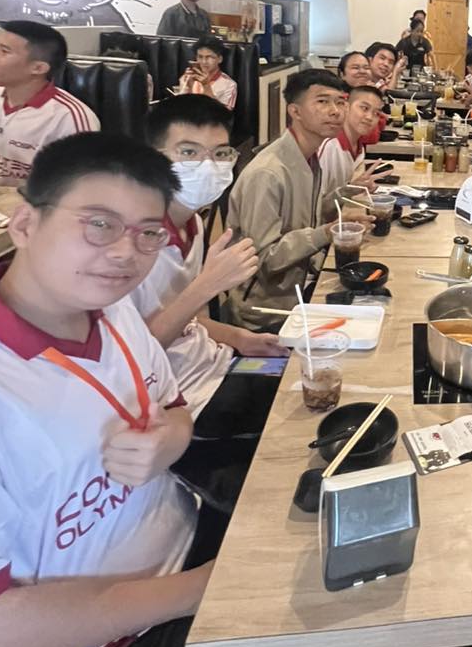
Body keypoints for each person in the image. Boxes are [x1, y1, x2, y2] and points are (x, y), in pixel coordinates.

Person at [0, 132, 403, 647]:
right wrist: (206, 588)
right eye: (98, 224)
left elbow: (172, 406)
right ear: (25, 222)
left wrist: (170, 442)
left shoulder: (109, 313)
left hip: (178, 556)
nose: (125, 253)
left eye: (147, 233)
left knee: (334, 509)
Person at [135, 94, 286, 440]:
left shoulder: (194, 223)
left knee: (318, 371)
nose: (207, 166)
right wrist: (207, 285)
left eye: (219, 154)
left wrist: (239, 338)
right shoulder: (131, 241)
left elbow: (191, 320)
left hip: (216, 364)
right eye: (188, 152)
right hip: (179, 401)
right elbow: (134, 356)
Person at [224, 69, 347, 328]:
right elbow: (265, 258)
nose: (335, 111)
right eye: (322, 101)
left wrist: (344, 201)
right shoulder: (268, 173)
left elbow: (303, 216)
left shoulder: (308, 157)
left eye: (340, 102)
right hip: (264, 313)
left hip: (299, 292)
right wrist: (325, 233)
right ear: (295, 111)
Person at [0, 21, 99, 183]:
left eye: (4, 51)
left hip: (35, 199)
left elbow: (84, 184)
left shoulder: (69, 117)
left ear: (38, 68)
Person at [318, 84, 391, 199]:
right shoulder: (329, 146)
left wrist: (353, 188)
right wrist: (348, 190)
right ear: (346, 107)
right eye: (364, 108)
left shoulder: (359, 147)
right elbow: (311, 205)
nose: (369, 117)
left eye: (376, 113)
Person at [176, 34, 238, 111]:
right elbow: (180, 110)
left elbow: (224, 115)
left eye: (209, 57)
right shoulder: (191, 78)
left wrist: (206, 86)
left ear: (220, 59)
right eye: (200, 57)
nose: (204, 62)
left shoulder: (229, 84)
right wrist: (185, 88)